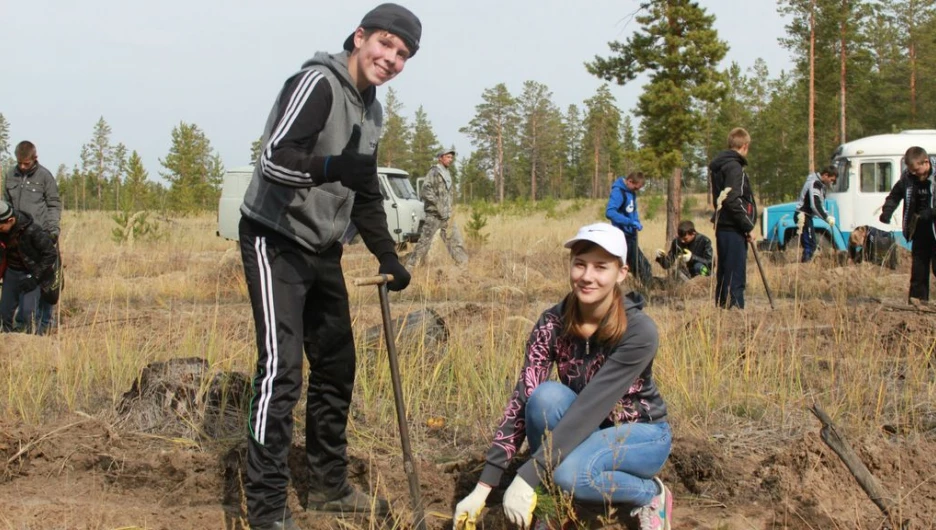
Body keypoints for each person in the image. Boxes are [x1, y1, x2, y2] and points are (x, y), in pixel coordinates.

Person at [237, 4, 419, 529]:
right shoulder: (316, 83)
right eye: (386, 44)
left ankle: (328, 487)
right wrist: (334, 166)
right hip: (275, 239)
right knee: (280, 371)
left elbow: (362, 189)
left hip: (322, 249)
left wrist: (387, 253)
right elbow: (273, 160)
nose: (392, 58)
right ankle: (267, 511)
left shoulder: (371, 110)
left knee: (337, 364)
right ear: (360, 37)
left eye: (403, 54)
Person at [452, 222, 673, 530]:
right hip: (582, 431)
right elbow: (522, 398)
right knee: (544, 396)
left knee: (571, 474)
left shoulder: (639, 331)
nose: (587, 276)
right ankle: (555, 505)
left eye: (600, 267)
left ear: (621, 273)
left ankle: (649, 494)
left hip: (639, 434)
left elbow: (592, 406)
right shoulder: (552, 322)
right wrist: (484, 486)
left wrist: (529, 475)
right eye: (580, 264)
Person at [4, 141, 61, 334]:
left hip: (41, 235)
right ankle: (23, 323)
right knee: (19, 278)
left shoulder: (45, 176)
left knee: (46, 283)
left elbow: (53, 204)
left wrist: (52, 231)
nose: (22, 166)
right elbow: (6, 203)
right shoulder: (10, 175)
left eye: (26, 163)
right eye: (19, 163)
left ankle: (45, 324)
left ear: (35, 158)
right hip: (17, 237)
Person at [879, 146, 936, 305]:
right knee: (918, 270)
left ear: (926, 162)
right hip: (919, 230)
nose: (915, 174)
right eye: (911, 171)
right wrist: (887, 212)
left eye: (917, 170)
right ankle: (918, 304)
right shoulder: (908, 178)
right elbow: (895, 195)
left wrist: (931, 212)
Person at [710, 127, 757, 310]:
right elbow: (732, 199)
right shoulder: (734, 167)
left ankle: (723, 312)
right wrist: (747, 226)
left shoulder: (721, 165)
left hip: (725, 227)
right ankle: (735, 316)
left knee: (725, 275)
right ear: (745, 146)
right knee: (734, 276)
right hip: (733, 228)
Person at [0, 201, 58, 334]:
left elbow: (50, 254)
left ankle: (30, 343)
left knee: (28, 315)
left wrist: (35, 277)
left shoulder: (33, 230)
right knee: (4, 314)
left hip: (31, 274)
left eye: (0, 226)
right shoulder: (3, 231)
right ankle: (6, 342)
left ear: (11, 220)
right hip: (11, 273)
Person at [405, 148, 468, 267]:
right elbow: (425, 191)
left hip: (446, 216)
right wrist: (438, 205)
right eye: (448, 157)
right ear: (440, 158)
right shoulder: (434, 172)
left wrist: (448, 209)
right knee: (424, 243)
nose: (451, 160)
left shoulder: (447, 173)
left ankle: (462, 268)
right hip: (434, 215)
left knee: (455, 240)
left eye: (451, 157)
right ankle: (410, 268)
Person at [606, 172, 652, 287]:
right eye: (636, 187)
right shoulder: (618, 192)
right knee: (643, 267)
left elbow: (632, 210)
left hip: (631, 235)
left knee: (639, 266)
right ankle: (647, 293)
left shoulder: (631, 192)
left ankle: (645, 290)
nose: (637, 190)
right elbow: (610, 212)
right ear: (630, 181)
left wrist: (636, 221)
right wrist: (629, 222)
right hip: (622, 236)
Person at [794, 165, 837, 262]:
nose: (832, 182)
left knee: (812, 243)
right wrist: (826, 217)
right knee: (809, 245)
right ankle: (804, 266)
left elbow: (819, 204)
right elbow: (815, 204)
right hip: (803, 215)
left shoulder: (819, 184)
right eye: (831, 179)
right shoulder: (815, 184)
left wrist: (827, 214)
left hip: (807, 216)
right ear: (825, 175)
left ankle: (806, 265)